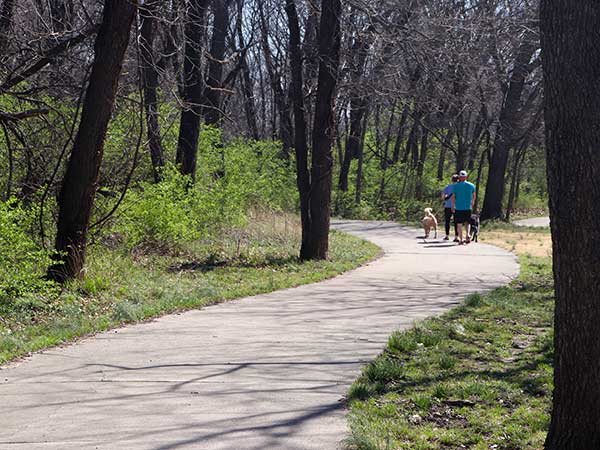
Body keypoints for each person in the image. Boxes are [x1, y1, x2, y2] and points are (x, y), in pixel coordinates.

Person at [451, 170, 476, 245]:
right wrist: (472, 203)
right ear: (466, 177)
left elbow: (453, 197)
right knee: (467, 222)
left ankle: (461, 239)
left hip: (458, 207)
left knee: (459, 224)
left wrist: (452, 206)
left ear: (459, 177)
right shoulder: (471, 185)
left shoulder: (455, 186)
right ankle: (467, 234)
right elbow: (474, 195)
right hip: (468, 207)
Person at [441, 174, 459, 241]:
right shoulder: (459, 187)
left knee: (447, 221)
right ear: (458, 180)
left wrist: (446, 198)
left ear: (452, 180)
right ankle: (456, 237)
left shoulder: (447, 187)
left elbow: (443, 197)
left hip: (447, 206)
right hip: (457, 207)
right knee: (456, 222)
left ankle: (447, 235)